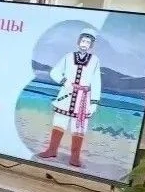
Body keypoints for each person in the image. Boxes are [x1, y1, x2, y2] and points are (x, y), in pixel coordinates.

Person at [37, 27, 102, 168]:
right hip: (66, 97)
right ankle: (52, 150)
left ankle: (75, 157)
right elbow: (54, 72)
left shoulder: (95, 60)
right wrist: (66, 82)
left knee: (79, 127)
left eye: (88, 42)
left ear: (91, 45)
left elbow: (96, 82)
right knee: (59, 122)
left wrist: (94, 103)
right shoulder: (68, 57)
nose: (84, 44)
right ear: (78, 42)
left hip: (83, 100)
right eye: (83, 41)